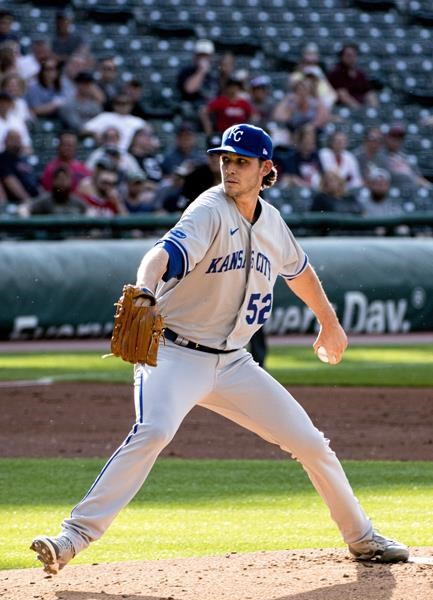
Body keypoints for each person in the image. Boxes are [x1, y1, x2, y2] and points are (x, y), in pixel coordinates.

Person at [30, 123, 409, 575]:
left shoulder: (272, 222)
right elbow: (162, 253)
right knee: (153, 431)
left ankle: (362, 538)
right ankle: (72, 538)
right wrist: (145, 289)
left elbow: (300, 272)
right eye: (225, 159)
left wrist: (329, 323)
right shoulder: (209, 209)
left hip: (233, 364)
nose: (229, 168)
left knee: (311, 443)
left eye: (241, 161)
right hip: (175, 355)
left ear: (266, 169)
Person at [82, 92, 149, 150]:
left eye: (125, 103)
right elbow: (84, 130)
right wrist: (94, 133)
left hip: (130, 155)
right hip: (106, 152)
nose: (122, 106)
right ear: (114, 104)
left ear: (131, 105)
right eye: (118, 103)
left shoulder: (138, 121)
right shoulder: (105, 116)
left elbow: (152, 139)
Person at [380, 123, 432, 190]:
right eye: (393, 135)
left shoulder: (404, 156)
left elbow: (419, 177)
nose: (396, 140)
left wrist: (429, 187)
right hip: (395, 191)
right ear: (386, 137)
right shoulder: (380, 156)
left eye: (400, 137)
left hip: (413, 190)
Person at [327, 44, 378, 108]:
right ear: (342, 57)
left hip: (361, 102)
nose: (351, 58)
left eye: (354, 55)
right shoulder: (336, 73)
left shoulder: (360, 74)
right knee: (342, 94)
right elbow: (341, 94)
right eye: (348, 55)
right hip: (342, 107)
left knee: (371, 94)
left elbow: (368, 91)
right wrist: (358, 109)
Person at [0, 129, 39, 202]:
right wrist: (28, 200)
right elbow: (10, 181)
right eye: (13, 139)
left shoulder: (22, 159)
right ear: (5, 141)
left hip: (34, 199)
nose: (16, 142)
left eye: (18, 139)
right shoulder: (3, 158)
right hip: (18, 202)